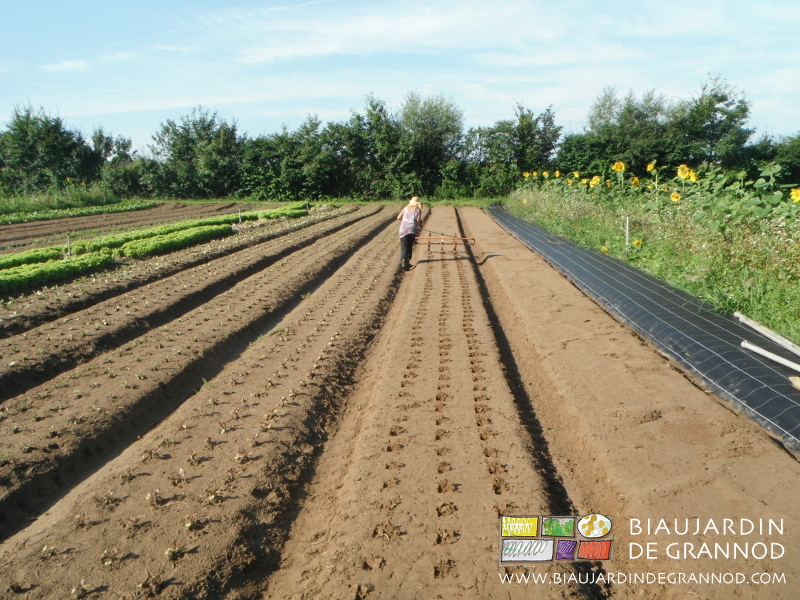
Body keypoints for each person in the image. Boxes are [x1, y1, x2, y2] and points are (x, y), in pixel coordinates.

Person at [397, 196, 422, 271]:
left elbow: (398, 218)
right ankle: (407, 262)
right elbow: (418, 222)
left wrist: (405, 221)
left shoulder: (405, 208)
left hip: (403, 229)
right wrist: (420, 225)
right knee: (409, 245)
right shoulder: (418, 210)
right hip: (412, 229)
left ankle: (404, 262)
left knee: (404, 245)